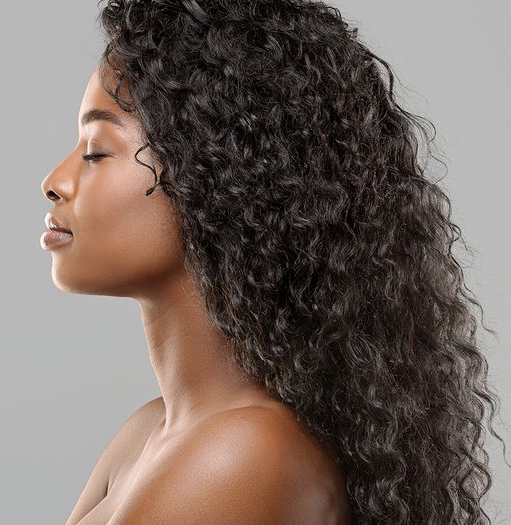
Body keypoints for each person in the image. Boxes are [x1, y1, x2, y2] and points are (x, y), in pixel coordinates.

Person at [41, 1, 506, 523]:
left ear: (215, 181)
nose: (55, 181)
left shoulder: (239, 453)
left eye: (97, 150)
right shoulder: (147, 434)